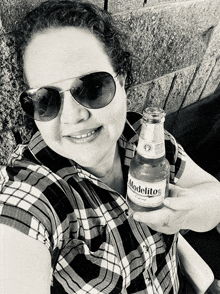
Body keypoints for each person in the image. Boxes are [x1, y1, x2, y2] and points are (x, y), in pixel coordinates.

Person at [0, 1, 220, 293]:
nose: (73, 116)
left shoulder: (146, 138)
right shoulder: (36, 192)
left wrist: (184, 213)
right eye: (46, 99)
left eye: (92, 87)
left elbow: (213, 195)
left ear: (122, 80)